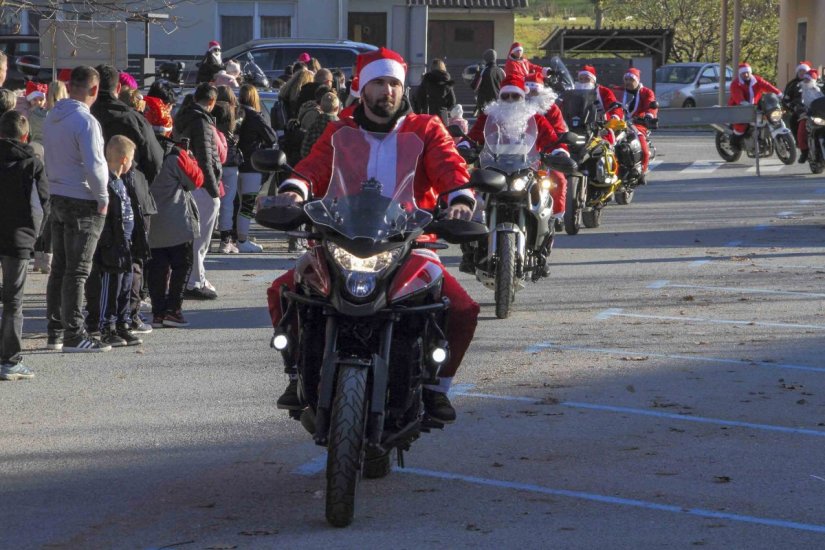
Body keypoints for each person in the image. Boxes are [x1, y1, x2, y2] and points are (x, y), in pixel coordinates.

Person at [268, 47, 479, 423]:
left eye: (395, 83)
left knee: (462, 309)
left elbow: (450, 165)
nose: (388, 91)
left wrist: (459, 199)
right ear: (361, 89)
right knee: (283, 290)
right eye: (379, 83)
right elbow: (312, 167)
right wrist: (293, 191)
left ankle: (436, 387)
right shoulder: (339, 131)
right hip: (340, 239)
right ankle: (297, 372)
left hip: (410, 243)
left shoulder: (426, 128)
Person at [43, 66, 111, 352]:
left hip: (56, 194)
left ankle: (56, 331)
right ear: (94, 89)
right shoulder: (86, 121)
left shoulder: (52, 117)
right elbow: (95, 165)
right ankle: (74, 334)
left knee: (59, 268)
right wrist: (103, 196)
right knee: (78, 270)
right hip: (82, 199)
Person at [145, 99, 205, 328]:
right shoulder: (175, 155)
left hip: (151, 220)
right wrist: (190, 158)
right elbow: (196, 181)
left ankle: (158, 312)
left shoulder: (140, 154)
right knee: (182, 265)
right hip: (178, 220)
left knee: (156, 269)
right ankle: (173, 310)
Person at [0, 111, 48, 380]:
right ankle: (10, 359)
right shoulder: (32, 163)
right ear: (25, 135)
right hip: (18, 237)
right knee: (13, 301)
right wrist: (36, 235)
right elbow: (40, 205)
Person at [85, 135, 144, 347]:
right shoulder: (107, 182)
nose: (132, 163)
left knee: (125, 285)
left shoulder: (122, 182)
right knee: (111, 287)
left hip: (125, 245)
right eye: (131, 159)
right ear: (123, 159)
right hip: (112, 246)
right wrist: (108, 243)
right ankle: (106, 325)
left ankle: (123, 322)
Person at [174, 83, 222, 299]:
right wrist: (213, 190)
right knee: (200, 237)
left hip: (188, 181)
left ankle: (194, 277)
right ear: (211, 102)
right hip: (201, 184)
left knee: (192, 235)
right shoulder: (201, 122)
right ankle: (195, 280)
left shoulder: (184, 116)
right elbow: (206, 158)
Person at [237, 84, 278, 252]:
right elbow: (272, 137)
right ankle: (242, 240)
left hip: (233, 165)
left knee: (236, 204)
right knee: (247, 204)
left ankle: (234, 237)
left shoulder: (235, 114)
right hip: (251, 166)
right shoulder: (255, 116)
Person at [525, 71, 568, 218]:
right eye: (527, 90)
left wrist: (559, 150)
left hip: (547, 150)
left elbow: (559, 131)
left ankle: (557, 216)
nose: (530, 94)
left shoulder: (551, 108)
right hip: (520, 152)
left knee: (558, 179)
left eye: (534, 90)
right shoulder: (515, 105)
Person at [213, 86, 242, 254]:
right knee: (228, 203)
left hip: (213, 160)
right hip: (230, 162)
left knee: (210, 200)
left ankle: (208, 238)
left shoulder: (212, 112)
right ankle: (225, 239)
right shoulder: (233, 114)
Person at [728, 62, 781, 148]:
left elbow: (767, 86)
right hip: (738, 107)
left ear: (750, 72)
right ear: (740, 74)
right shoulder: (736, 84)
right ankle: (734, 143)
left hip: (754, 106)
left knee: (769, 117)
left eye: (747, 72)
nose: (745, 74)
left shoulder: (757, 80)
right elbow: (737, 96)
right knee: (741, 125)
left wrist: (778, 93)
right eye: (743, 73)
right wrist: (743, 102)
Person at [621, 67, 657, 181]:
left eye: (631, 80)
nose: (627, 82)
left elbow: (651, 105)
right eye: (626, 79)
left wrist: (649, 116)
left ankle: (642, 171)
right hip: (617, 124)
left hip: (637, 124)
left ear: (637, 80)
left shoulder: (646, 92)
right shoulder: (620, 91)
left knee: (645, 152)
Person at [300, 90, 339, 159]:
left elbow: (304, 150)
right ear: (337, 108)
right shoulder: (340, 128)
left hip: (315, 165)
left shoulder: (313, 127)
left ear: (320, 107)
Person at [796, 70, 823, 163]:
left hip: (821, 114)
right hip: (807, 114)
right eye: (805, 79)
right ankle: (804, 151)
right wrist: (797, 106)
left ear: (813, 80)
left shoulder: (820, 89)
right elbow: (795, 100)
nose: (806, 81)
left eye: (808, 79)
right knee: (801, 129)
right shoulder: (799, 89)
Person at [783, 60, 812, 147]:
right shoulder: (792, 84)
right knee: (793, 121)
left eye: (805, 71)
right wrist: (791, 106)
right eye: (801, 71)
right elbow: (786, 99)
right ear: (797, 72)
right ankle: (799, 141)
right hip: (799, 109)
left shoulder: (816, 83)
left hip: (814, 108)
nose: (802, 73)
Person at [473, 48, 505, 115]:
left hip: (485, 104)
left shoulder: (484, 71)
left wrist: (477, 73)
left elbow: (475, 87)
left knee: (484, 124)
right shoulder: (501, 71)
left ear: (486, 59)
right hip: (499, 103)